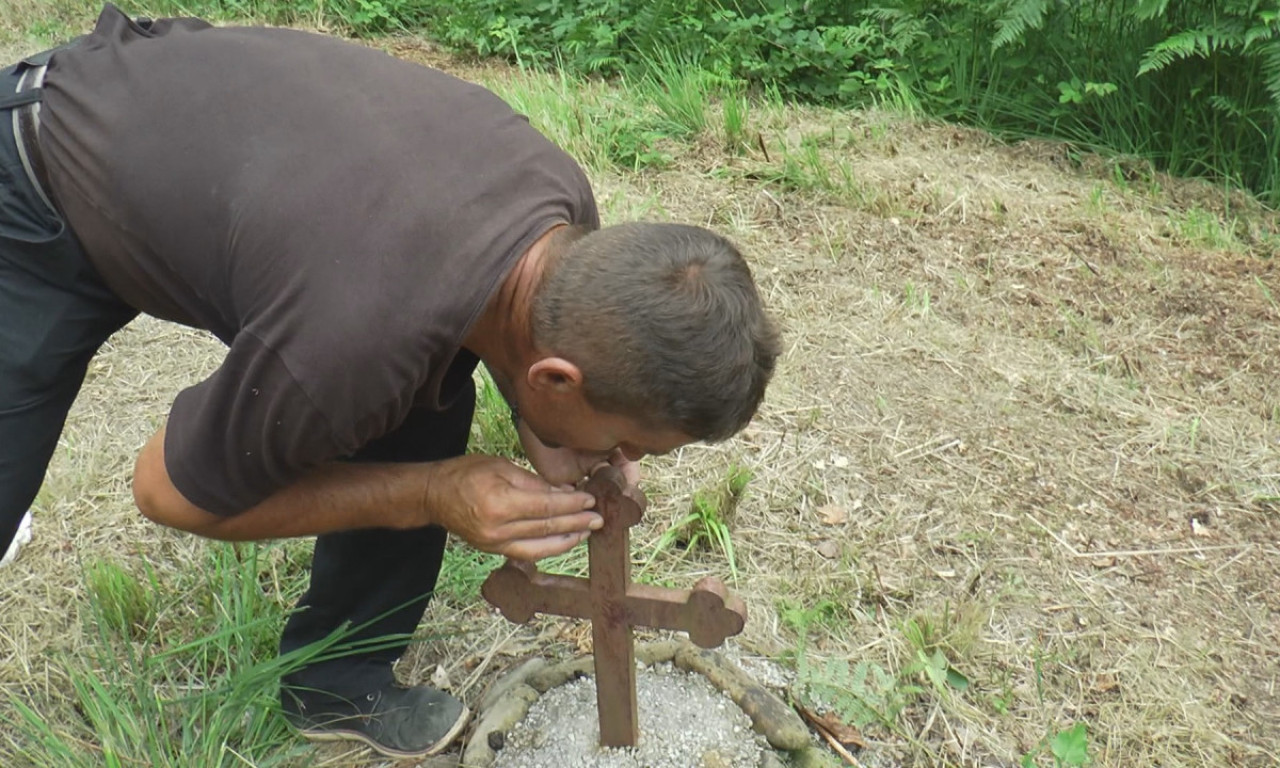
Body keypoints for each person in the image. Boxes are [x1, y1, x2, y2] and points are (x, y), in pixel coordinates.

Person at [0, 4, 780, 759]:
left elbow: (510, 334)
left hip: (203, 143)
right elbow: (168, 492)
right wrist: (432, 493)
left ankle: (336, 684)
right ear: (557, 378)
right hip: (38, 175)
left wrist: (540, 426)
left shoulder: (561, 217)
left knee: (424, 396)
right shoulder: (349, 344)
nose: (622, 463)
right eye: (631, 444)